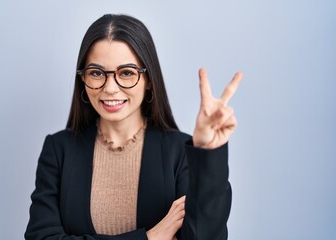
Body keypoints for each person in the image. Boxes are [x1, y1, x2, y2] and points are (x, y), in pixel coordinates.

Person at [25, 14, 243, 240]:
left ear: (149, 80)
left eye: (127, 73)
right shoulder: (59, 149)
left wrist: (207, 153)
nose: (110, 88)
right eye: (97, 73)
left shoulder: (180, 151)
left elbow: (204, 236)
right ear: (83, 78)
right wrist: (148, 238)